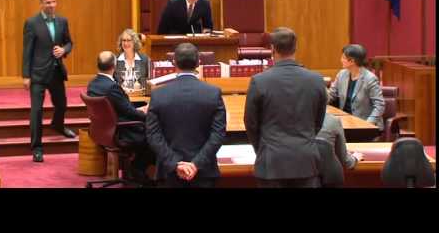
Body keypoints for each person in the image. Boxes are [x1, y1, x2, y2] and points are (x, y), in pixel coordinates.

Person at [244, 27, 327, 188]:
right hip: (306, 161)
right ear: (295, 48)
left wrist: (262, 148)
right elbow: (318, 121)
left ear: (272, 49)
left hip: (271, 162)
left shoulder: (259, 81)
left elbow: (250, 123)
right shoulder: (316, 80)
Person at [146, 43, 226, 188]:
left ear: (173, 63)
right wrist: (196, 164)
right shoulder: (213, 93)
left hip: (169, 172)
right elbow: (218, 134)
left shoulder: (158, 94)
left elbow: (153, 135)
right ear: (198, 63)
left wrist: (175, 164)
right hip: (204, 172)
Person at [22, 0, 76, 163]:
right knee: (36, 111)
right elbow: (27, 50)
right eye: (48, 3)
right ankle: (37, 148)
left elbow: (69, 42)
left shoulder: (62, 21)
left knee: (62, 104)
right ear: (41, 4)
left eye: (53, 2)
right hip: (37, 73)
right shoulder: (31, 23)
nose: (52, 5)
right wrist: (26, 75)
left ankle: (58, 125)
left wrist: (63, 50)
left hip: (56, 71)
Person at [87, 51, 155, 183]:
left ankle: (132, 171)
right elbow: (130, 112)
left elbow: (122, 109)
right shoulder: (112, 87)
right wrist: (147, 113)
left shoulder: (93, 84)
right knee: (153, 133)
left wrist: (138, 110)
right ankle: (138, 169)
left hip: (103, 131)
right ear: (114, 66)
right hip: (121, 131)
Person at [328, 44, 385, 131]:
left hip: (364, 123)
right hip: (345, 122)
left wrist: (368, 123)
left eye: (343, 57)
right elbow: (331, 95)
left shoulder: (370, 79)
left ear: (352, 61)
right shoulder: (342, 75)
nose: (341, 60)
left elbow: (379, 105)